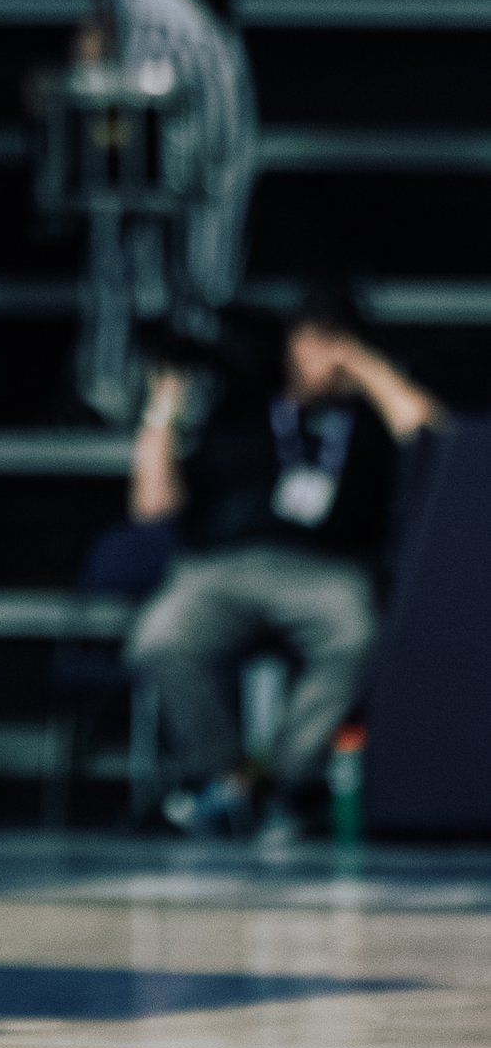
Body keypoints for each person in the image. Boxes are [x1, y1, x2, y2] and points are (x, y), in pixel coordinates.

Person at [126, 293, 443, 845]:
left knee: (357, 635)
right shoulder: (240, 407)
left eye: (332, 340)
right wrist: (163, 405)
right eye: (307, 339)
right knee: (160, 637)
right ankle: (227, 778)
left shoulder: (369, 422)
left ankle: (280, 784)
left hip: (328, 571)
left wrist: (363, 367)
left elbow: (438, 442)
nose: (318, 354)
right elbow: (152, 507)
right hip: (220, 567)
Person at [78, 0, 280, 423]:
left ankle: (189, 392)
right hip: (135, 111)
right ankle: (116, 384)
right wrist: (88, 66)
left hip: (210, 110)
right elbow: (102, 21)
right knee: (127, 251)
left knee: (205, 255)